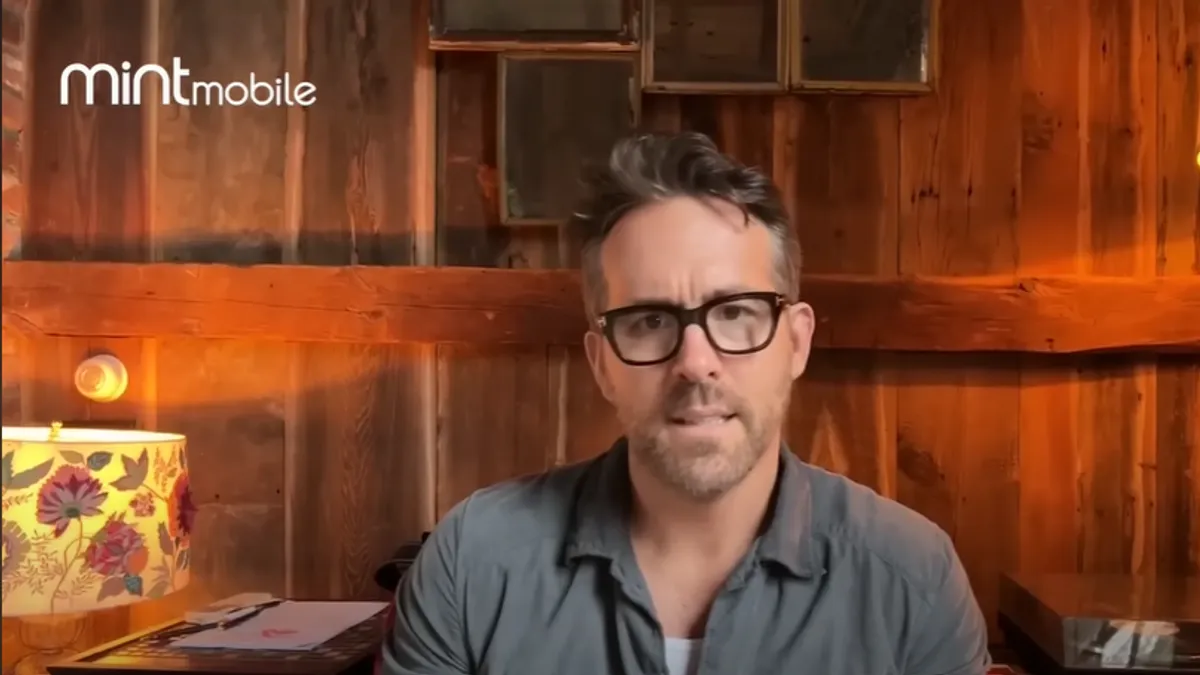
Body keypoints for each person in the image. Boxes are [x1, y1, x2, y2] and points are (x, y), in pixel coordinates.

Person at [380, 132, 991, 675]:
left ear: (796, 343)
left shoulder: (911, 578)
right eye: (649, 320)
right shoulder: (473, 565)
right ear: (602, 364)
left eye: (735, 313)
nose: (696, 362)